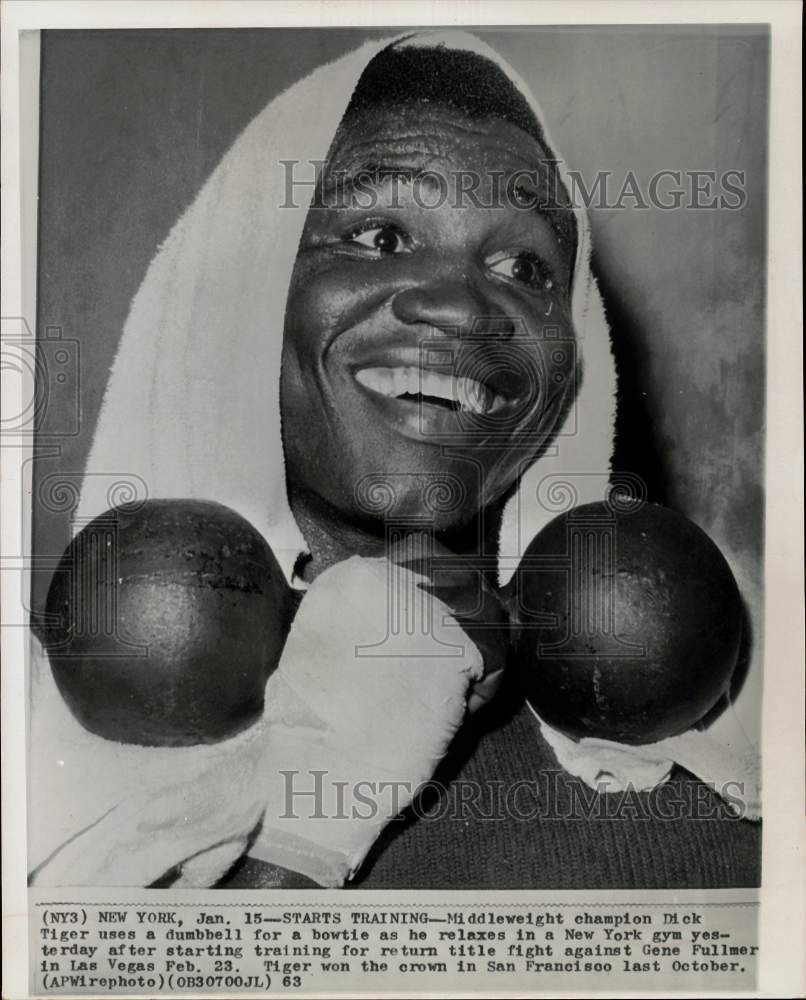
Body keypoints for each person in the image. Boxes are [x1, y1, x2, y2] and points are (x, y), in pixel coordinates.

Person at [28, 31, 760, 889]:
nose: (460, 308)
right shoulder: (37, 749)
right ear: (239, 296)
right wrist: (314, 821)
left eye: (525, 265)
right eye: (377, 236)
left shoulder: (724, 744)